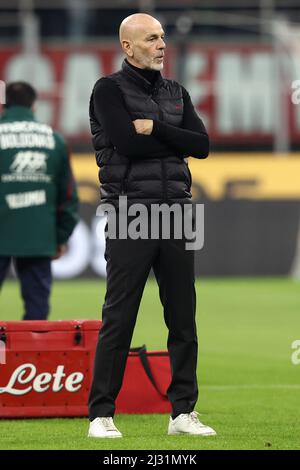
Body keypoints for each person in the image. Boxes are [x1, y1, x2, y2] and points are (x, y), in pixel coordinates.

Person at [88, 13, 216, 438]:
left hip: (177, 212)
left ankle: (182, 413)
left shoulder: (176, 91)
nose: (162, 45)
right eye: (151, 39)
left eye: (162, 37)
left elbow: (202, 145)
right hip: (128, 212)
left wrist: (155, 128)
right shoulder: (107, 90)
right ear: (128, 47)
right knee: (119, 316)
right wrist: (170, 136)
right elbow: (125, 142)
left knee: (183, 319)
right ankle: (101, 415)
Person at [0, 82, 79, 320]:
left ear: (4, 105)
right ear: (34, 105)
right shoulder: (54, 139)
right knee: (37, 313)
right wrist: (60, 236)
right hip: (39, 235)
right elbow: (68, 195)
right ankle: (32, 356)